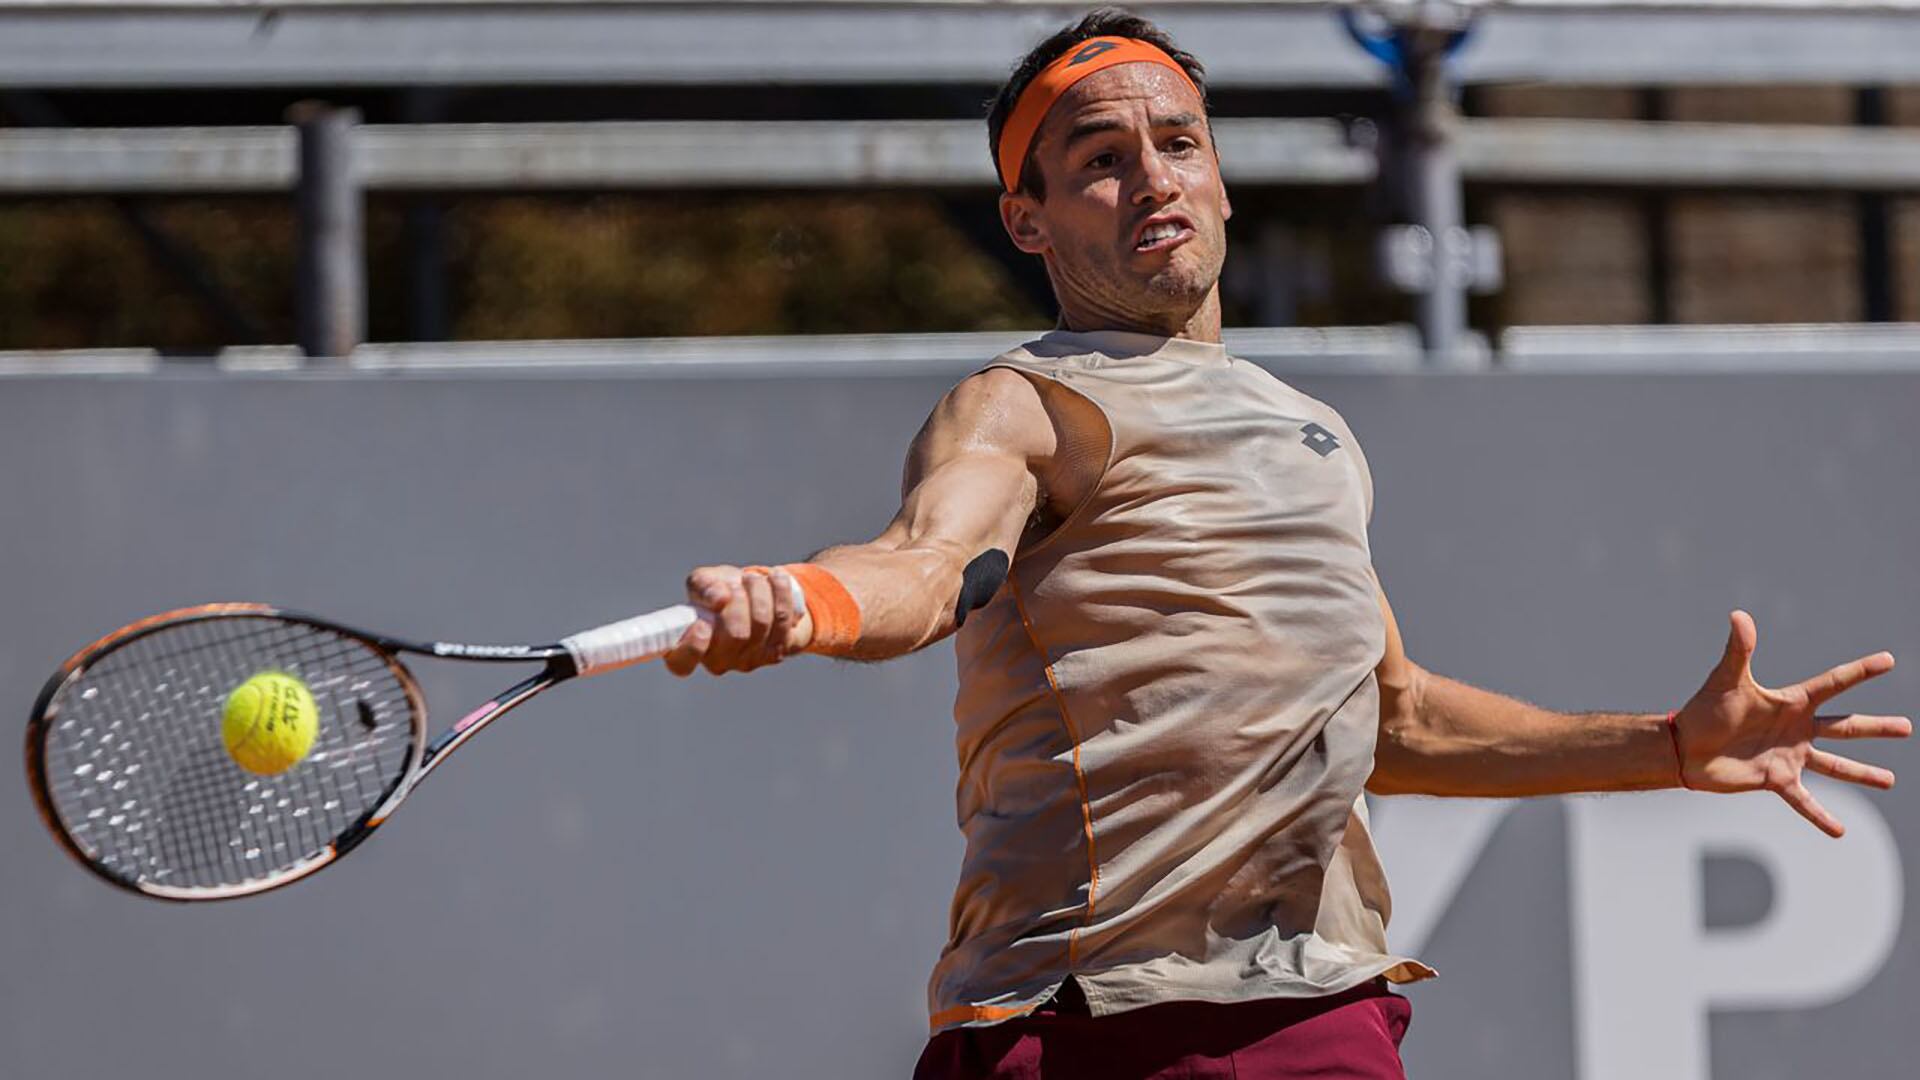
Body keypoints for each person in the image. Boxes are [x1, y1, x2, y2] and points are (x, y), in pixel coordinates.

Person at [664, 9, 1911, 1078]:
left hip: (1320, 1017)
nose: (1152, 177)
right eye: (1099, 159)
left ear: (1218, 177)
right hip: (1082, 1028)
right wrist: (810, 601)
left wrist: (1671, 750)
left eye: (1178, 143)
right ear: (1028, 221)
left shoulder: (1316, 432)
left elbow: (1395, 720)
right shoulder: (1022, 403)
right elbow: (926, 567)